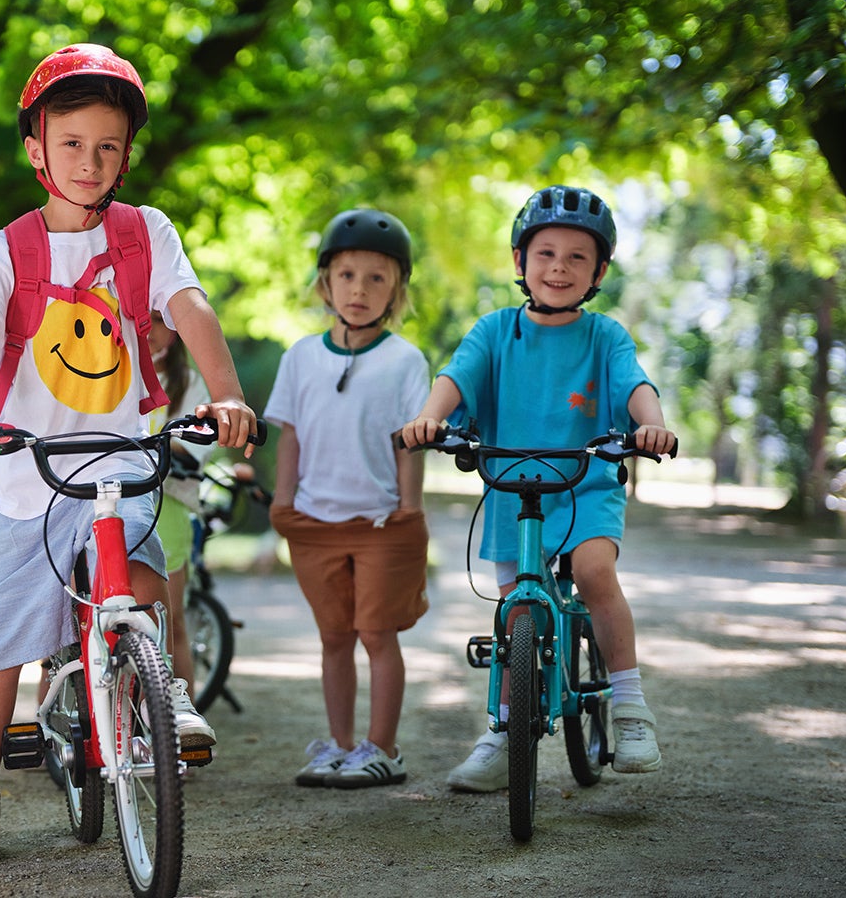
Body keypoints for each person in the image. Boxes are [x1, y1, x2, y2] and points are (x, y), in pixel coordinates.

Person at [0, 42, 258, 865]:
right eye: (71, 143)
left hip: (116, 453)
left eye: (108, 146)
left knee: (143, 574)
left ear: (127, 156)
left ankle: (161, 689)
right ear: (36, 151)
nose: (90, 160)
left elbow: (190, 306)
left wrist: (226, 392)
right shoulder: (10, 248)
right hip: (25, 469)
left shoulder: (146, 233)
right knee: (1, 640)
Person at [397, 184, 678, 792]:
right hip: (511, 487)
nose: (559, 267)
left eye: (577, 257)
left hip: (585, 483)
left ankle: (630, 708)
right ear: (520, 261)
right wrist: (429, 417)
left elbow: (635, 385)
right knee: (516, 611)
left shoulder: (605, 336)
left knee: (595, 572)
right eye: (546, 253)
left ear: (599, 272)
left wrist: (651, 425)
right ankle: (501, 734)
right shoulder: (496, 330)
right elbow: (456, 377)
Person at [263, 208, 431, 790]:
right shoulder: (301, 356)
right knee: (334, 637)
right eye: (347, 275)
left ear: (397, 290)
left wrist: (409, 509)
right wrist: (284, 502)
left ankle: (382, 749)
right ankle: (338, 746)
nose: (359, 290)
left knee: (378, 634)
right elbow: (291, 435)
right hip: (314, 520)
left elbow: (411, 442)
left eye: (377, 278)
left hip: (383, 522)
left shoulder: (405, 360)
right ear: (326, 283)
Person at [148, 317, 214, 697]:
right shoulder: (104, 372)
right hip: (100, 499)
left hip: (166, 503)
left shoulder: (187, 383)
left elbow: (191, 447)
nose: (149, 328)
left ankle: (181, 712)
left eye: (160, 320)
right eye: (141, 316)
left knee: (169, 620)